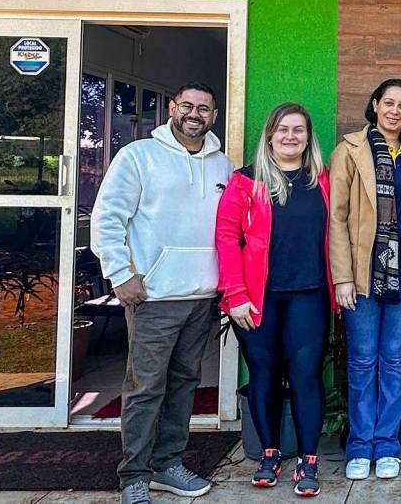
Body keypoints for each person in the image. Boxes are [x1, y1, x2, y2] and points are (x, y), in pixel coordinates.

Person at [91, 82, 233, 504]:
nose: (194, 114)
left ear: (214, 115)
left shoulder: (223, 166)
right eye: (187, 106)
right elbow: (108, 218)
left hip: (201, 296)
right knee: (145, 387)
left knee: (185, 383)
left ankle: (167, 464)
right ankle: (134, 475)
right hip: (152, 295)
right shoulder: (138, 156)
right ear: (172, 108)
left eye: (203, 109)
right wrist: (120, 274)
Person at [215, 102, 334, 497]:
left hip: (309, 294)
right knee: (263, 374)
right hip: (256, 298)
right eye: (283, 129)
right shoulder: (245, 182)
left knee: (305, 375)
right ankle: (269, 454)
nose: (290, 136)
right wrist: (235, 295)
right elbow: (226, 238)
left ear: (308, 137)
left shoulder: (321, 179)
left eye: (298, 129)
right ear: (269, 135)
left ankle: (308, 460)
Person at [329, 79, 401, 481]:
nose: (395, 111)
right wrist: (342, 278)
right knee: (362, 359)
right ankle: (360, 445)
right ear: (374, 105)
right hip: (363, 274)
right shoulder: (350, 150)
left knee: (394, 359)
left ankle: (386, 444)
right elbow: (336, 218)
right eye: (388, 103)